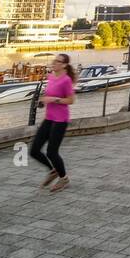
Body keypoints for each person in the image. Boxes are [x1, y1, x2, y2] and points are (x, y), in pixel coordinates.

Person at [31, 53, 76, 192]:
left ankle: (64, 178)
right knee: (34, 150)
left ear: (64, 65)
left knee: (51, 152)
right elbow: (48, 95)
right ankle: (53, 170)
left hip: (60, 119)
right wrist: (43, 101)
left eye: (58, 61)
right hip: (49, 118)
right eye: (54, 60)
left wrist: (54, 99)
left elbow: (71, 100)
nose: (54, 63)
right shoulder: (50, 77)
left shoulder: (66, 80)